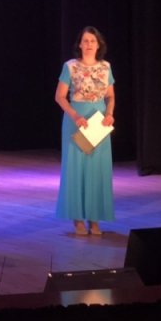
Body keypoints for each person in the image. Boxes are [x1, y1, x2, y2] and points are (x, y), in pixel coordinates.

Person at [55, 26, 116, 235]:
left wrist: (110, 113)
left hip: (99, 123)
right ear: (80, 44)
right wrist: (75, 116)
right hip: (77, 121)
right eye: (86, 41)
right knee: (76, 169)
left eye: (93, 41)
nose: (89, 44)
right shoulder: (70, 66)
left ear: (98, 45)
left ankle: (94, 218)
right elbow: (60, 96)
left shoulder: (105, 67)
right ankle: (78, 219)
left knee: (97, 169)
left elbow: (110, 96)